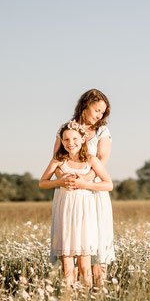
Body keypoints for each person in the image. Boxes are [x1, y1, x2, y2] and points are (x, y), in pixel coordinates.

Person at [39, 120, 113, 287]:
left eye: (74, 139)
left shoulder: (91, 160)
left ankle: (85, 298)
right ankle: (68, 297)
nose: (70, 143)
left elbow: (108, 184)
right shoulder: (58, 160)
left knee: (84, 261)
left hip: (85, 214)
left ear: (82, 140)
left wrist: (85, 184)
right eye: (66, 140)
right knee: (66, 260)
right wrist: (60, 182)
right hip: (65, 212)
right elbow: (42, 182)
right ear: (62, 141)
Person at [53, 89, 115, 287]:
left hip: (93, 190)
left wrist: (85, 181)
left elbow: (102, 161)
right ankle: (72, 289)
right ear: (85, 105)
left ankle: (97, 289)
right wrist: (67, 180)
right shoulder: (67, 131)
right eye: (97, 110)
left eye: (102, 113)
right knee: (71, 241)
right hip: (69, 193)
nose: (99, 115)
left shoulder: (102, 132)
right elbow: (57, 159)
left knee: (94, 239)